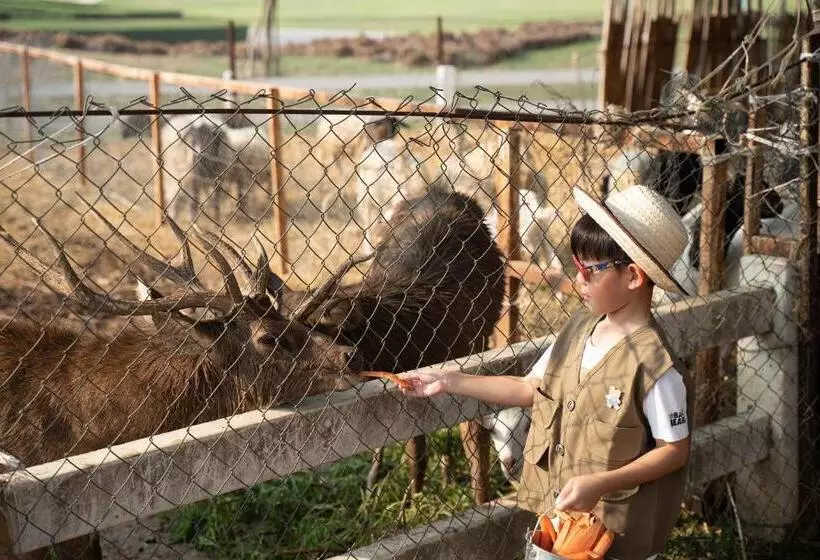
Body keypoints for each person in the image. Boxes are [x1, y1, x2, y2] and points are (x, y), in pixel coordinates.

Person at [400, 184, 693, 560]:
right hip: (557, 526)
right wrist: (450, 380)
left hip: (614, 540)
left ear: (634, 277)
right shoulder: (578, 330)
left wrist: (601, 483)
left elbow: (674, 451)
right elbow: (532, 387)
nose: (579, 280)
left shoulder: (655, 366)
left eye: (590, 271)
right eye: (576, 267)